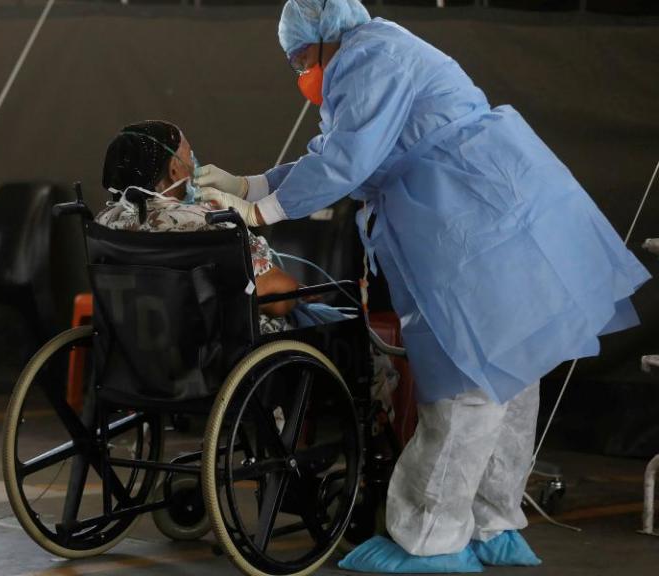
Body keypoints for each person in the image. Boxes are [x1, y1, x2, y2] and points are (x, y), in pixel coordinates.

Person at [194, 0, 651, 573]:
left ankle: (430, 539)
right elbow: (337, 153)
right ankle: (492, 524)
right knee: (508, 376)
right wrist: (251, 182)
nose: (301, 69)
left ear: (322, 37)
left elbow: (345, 162)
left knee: (469, 382)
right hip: (499, 216)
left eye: (302, 56)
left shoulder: (369, 58)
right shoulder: (377, 52)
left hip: (472, 227)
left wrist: (257, 212)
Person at [98, 120, 349, 334]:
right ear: (175, 169)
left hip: (144, 347)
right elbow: (276, 298)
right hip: (216, 351)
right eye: (189, 154)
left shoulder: (107, 222)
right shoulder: (208, 222)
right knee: (338, 326)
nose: (193, 161)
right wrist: (294, 291)